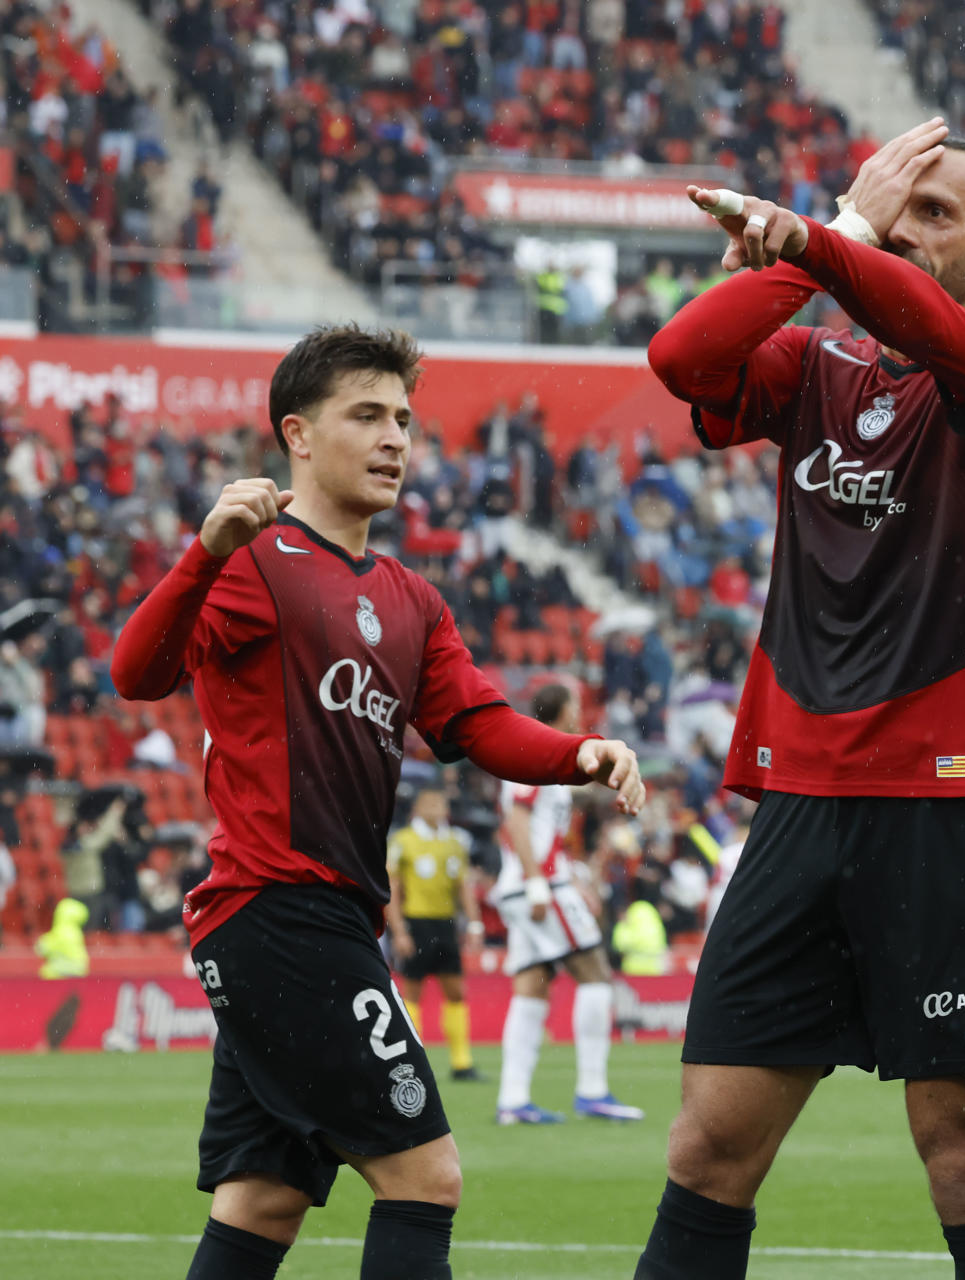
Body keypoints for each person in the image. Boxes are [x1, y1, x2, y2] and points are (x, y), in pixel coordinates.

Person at [635, 116, 965, 1280]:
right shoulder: (819, 368)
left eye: (938, 213)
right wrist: (829, 235)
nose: (907, 227)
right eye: (898, 204)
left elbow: (922, 320)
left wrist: (827, 247)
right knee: (709, 1142)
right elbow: (681, 359)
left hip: (950, 804)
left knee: (964, 1152)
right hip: (798, 801)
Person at [109, 325, 647, 1280]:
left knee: (263, 1202)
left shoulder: (411, 599)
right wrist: (199, 557)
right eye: (367, 415)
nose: (397, 437)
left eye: (403, 417)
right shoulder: (254, 558)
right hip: (279, 911)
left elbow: (478, 724)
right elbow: (134, 672)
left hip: (324, 920)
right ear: (298, 436)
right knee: (426, 1177)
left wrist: (582, 752)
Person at [492, 682, 646, 1126]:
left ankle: (513, 1100)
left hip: (526, 885)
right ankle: (593, 1091)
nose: (580, 712)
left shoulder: (539, 757)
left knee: (532, 984)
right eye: (575, 706)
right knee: (595, 973)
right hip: (535, 886)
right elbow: (517, 821)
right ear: (561, 711)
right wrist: (540, 883)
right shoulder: (534, 758)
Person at [385, 777, 484, 1082]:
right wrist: (399, 930)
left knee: (455, 991)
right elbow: (392, 888)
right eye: (430, 803)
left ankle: (462, 1063)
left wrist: (475, 923)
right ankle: (416, 1061)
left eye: (440, 803)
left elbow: (464, 886)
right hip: (416, 922)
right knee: (412, 992)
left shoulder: (454, 842)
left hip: (446, 924)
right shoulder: (403, 841)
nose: (436, 808)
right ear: (417, 808)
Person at [36, 897, 90, 977]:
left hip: (63, 969)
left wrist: (42, 942)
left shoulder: (61, 931)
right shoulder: (77, 933)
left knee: (46, 971)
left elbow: (44, 948)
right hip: (79, 969)